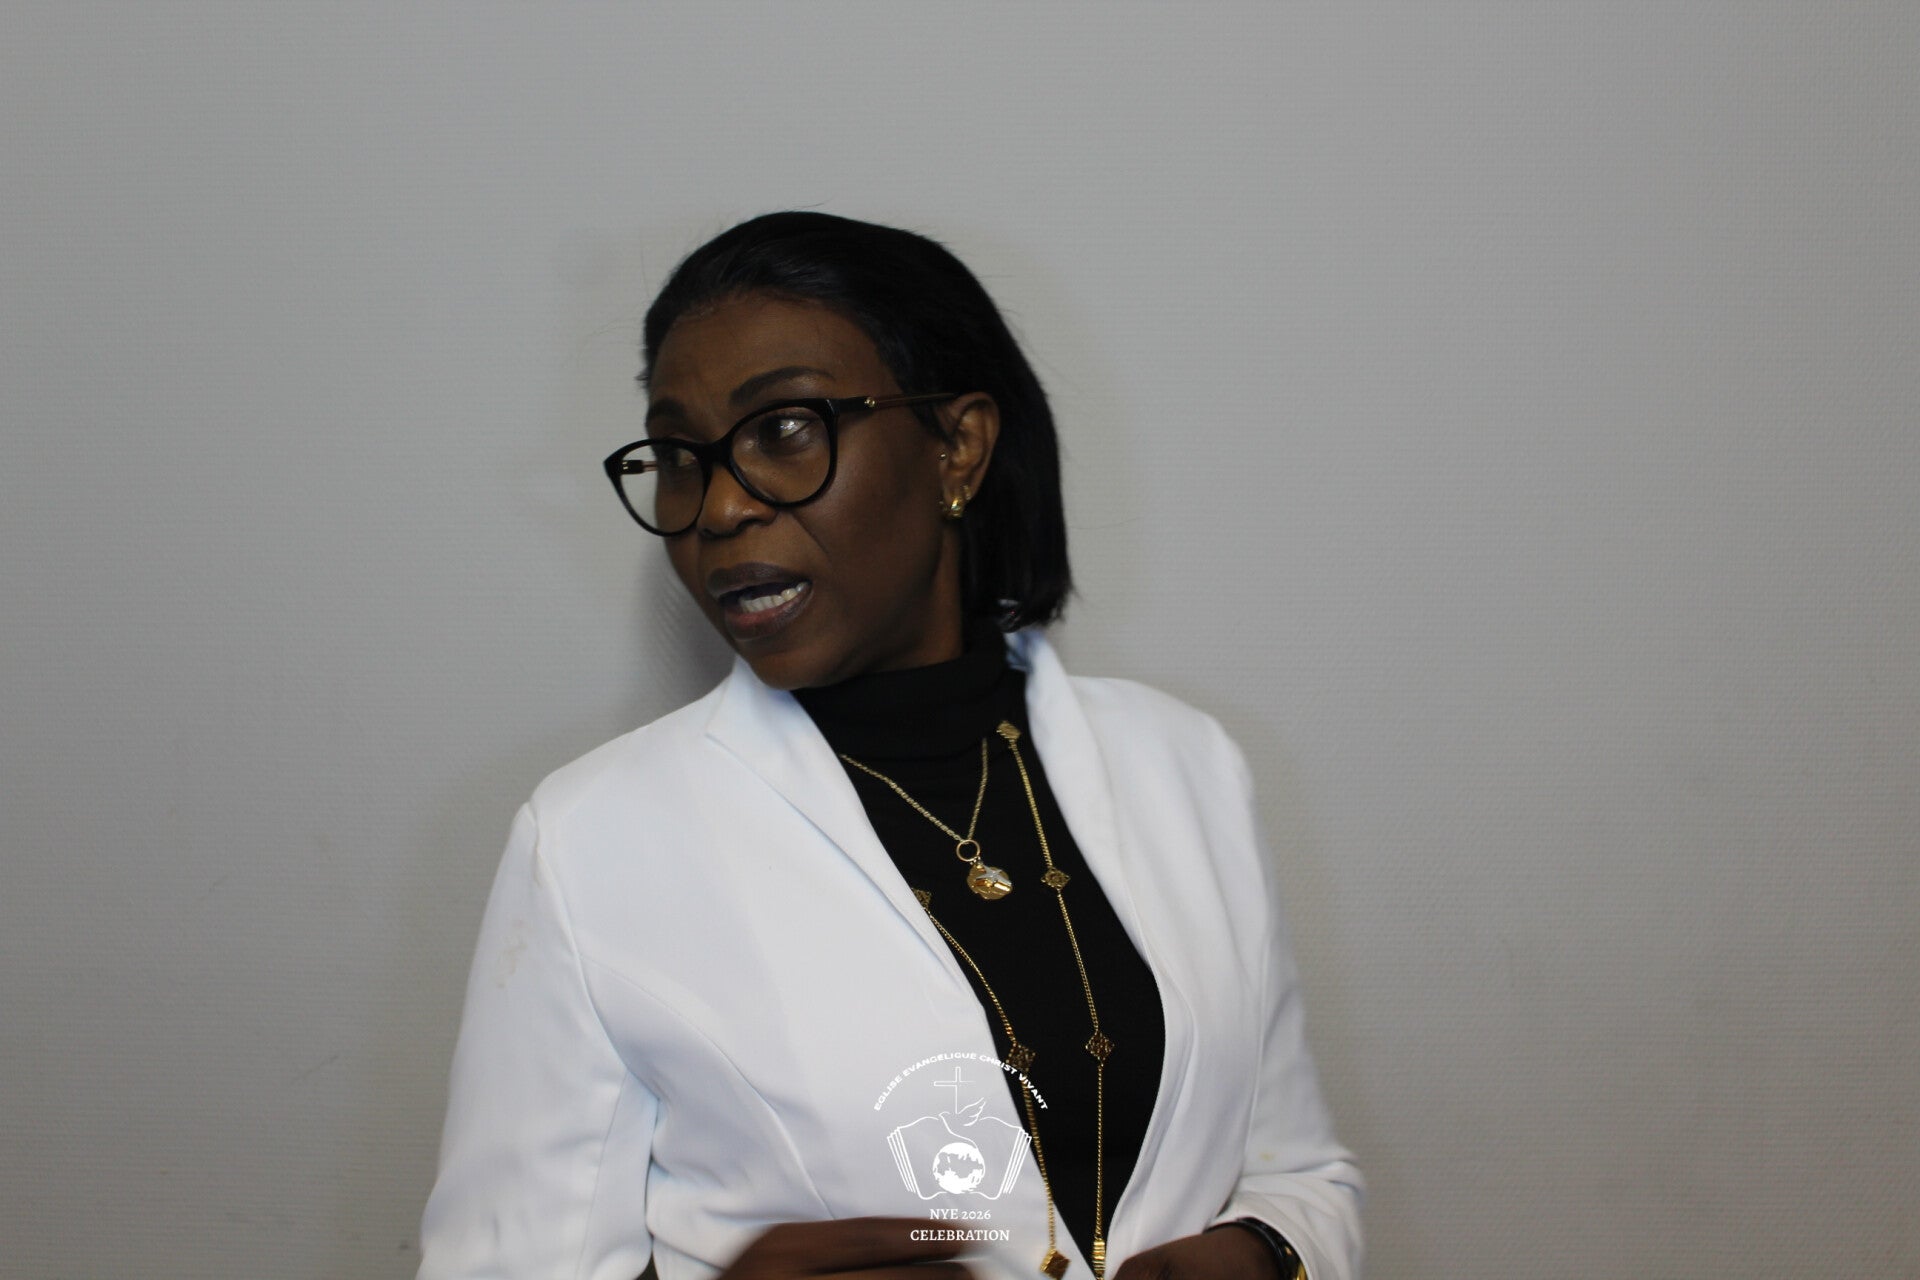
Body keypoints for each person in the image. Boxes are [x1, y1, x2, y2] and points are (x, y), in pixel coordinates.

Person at [417, 212, 1363, 1280]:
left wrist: (1264, 1254)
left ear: (958, 445)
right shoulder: (593, 840)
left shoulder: (1185, 764)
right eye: (681, 456)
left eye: (785, 428)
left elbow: (1299, 1171)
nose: (718, 506)